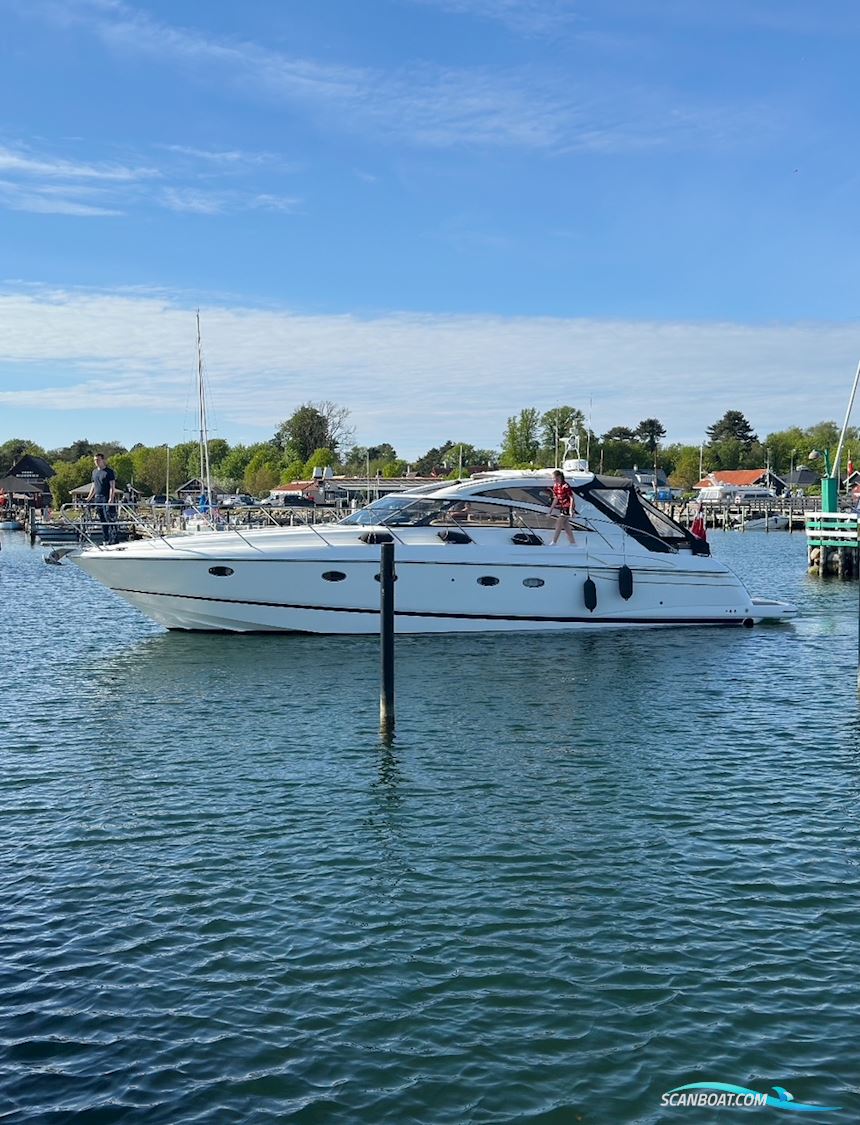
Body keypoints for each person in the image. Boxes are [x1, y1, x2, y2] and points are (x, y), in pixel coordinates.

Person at [85, 452, 118, 545]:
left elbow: (112, 486)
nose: (96, 462)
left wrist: (111, 499)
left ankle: (114, 539)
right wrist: (88, 498)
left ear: (103, 460)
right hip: (98, 498)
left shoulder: (109, 472)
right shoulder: (94, 472)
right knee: (102, 520)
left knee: (109, 519)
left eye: (98, 460)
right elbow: (94, 486)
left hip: (106, 497)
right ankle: (105, 540)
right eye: (95, 460)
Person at [548, 469, 576, 545]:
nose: (554, 480)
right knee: (566, 525)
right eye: (553, 478)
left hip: (567, 506)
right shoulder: (555, 486)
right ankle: (573, 543)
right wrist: (550, 510)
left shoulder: (565, 486)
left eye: (555, 478)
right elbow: (556, 498)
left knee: (559, 522)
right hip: (562, 506)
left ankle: (554, 541)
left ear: (559, 477)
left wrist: (571, 510)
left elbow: (571, 497)